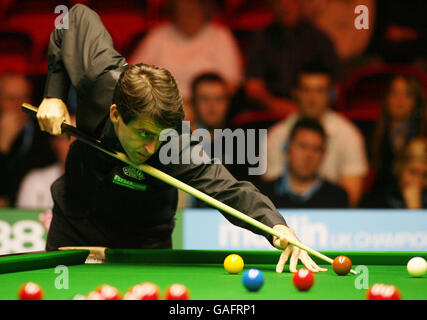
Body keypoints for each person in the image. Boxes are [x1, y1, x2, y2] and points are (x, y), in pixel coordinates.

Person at [36, 4, 326, 274]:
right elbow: (74, 17)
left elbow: (230, 191)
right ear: (115, 114)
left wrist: (276, 227)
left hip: (144, 237)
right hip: (77, 219)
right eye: (143, 134)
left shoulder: (175, 145)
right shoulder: (101, 77)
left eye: (160, 137)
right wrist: (54, 94)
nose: (151, 147)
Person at [263, 64, 368, 207]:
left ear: (331, 94)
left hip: (331, 215)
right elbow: (271, 194)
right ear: (295, 93)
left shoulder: (349, 135)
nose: (312, 98)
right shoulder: (276, 135)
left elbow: (350, 202)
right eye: (306, 90)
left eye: (320, 91)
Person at [128, 0, 242, 127]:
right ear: (173, 14)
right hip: (161, 107)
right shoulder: (158, 36)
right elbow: (133, 77)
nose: (187, 16)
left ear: (204, 11)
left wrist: (196, 105)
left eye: (193, 11)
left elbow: (231, 83)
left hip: (207, 109)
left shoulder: (221, 36)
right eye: (181, 12)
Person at [243, 0, 341, 116]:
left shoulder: (319, 39)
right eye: (279, 3)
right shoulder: (261, 39)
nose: (285, 7)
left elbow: (336, 89)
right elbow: (252, 87)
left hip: (315, 113)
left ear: (300, 4)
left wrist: (315, 104)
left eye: (291, 2)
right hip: (272, 113)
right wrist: (274, 104)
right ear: (271, 6)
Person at [261, 118, 349, 209]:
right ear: (288, 148)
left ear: (324, 154)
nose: (308, 155)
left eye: (316, 149)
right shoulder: (263, 197)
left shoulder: (338, 198)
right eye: (302, 146)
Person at [0, 73, 56, 207]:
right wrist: (3, 145)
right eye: (10, 98)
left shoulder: (45, 132)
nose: (18, 105)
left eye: (24, 97)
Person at [370, 75, 426, 193]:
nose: (400, 100)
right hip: (381, 201)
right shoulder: (370, 134)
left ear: (417, 102)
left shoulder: (423, 135)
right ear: (386, 99)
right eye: (395, 93)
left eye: (408, 95)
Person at [16, 116, 76, 209]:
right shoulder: (35, 182)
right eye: (66, 138)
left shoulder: (101, 183)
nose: (72, 144)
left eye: (78, 139)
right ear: (54, 143)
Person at [360, 137, 427, 209]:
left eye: (425, 175)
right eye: (413, 172)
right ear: (400, 169)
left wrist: (414, 207)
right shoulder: (375, 202)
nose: (418, 181)